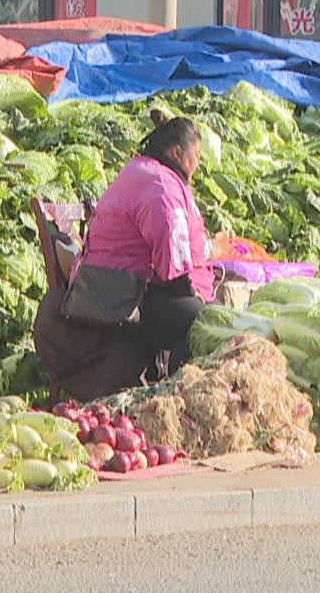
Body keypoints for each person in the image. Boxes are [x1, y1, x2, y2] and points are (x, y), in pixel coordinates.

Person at [33, 113, 216, 401]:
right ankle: (178, 400)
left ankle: (176, 397)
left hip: (129, 285)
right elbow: (172, 257)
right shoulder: (158, 184)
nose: (198, 164)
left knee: (197, 315)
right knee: (199, 323)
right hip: (117, 293)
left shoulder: (150, 172)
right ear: (178, 153)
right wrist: (192, 294)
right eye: (197, 155)